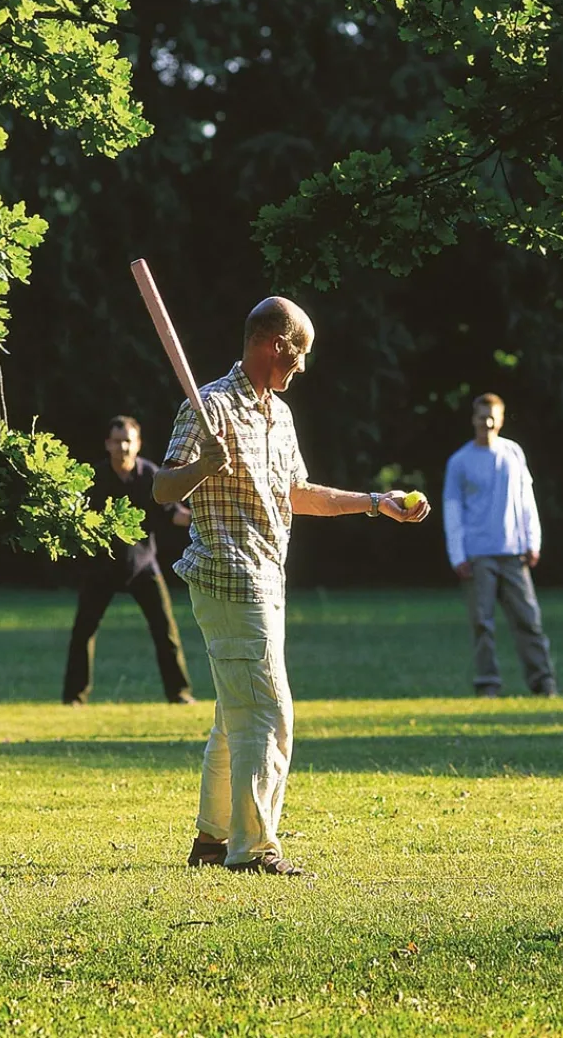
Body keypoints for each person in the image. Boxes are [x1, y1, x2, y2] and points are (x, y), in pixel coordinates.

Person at [153, 296, 429, 876]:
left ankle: (212, 839)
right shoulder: (208, 406)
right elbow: (162, 490)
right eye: (299, 353)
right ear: (275, 344)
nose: (302, 366)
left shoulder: (279, 417)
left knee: (237, 715)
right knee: (268, 714)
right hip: (228, 577)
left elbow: (299, 494)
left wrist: (376, 503)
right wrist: (202, 467)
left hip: (268, 578)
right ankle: (253, 850)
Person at [62, 415, 197, 706]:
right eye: (117, 441)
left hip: (142, 565)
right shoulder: (93, 478)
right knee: (83, 632)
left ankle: (179, 693)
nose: (123, 447)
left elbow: (174, 513)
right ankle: (74, 697)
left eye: (128, 441)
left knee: (166, 631)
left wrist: (203, 517)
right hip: (101, 567)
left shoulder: (151, 476)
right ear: (107, 444)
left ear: (138, 445)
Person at [442, 392, 557, 698]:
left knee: (529, 620)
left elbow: (526, 501)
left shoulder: (513, 454)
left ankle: (543, 682)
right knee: (482, 623)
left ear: (502, 419)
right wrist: (458, 555)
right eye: (482, 417)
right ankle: (488, 684)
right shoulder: (460, 461)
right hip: (477, 554)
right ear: (473, 419)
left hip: (513, 552)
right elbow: (452, 509)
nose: (488, 422)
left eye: (493, 416)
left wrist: (533, 541)